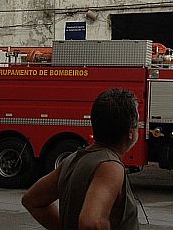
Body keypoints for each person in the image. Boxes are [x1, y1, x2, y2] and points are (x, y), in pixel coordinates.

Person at [22, 88, 140, 230]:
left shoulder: (72, 160)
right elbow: (91, 223)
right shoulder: (110, 167)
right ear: (130, 133)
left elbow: (32, 200)